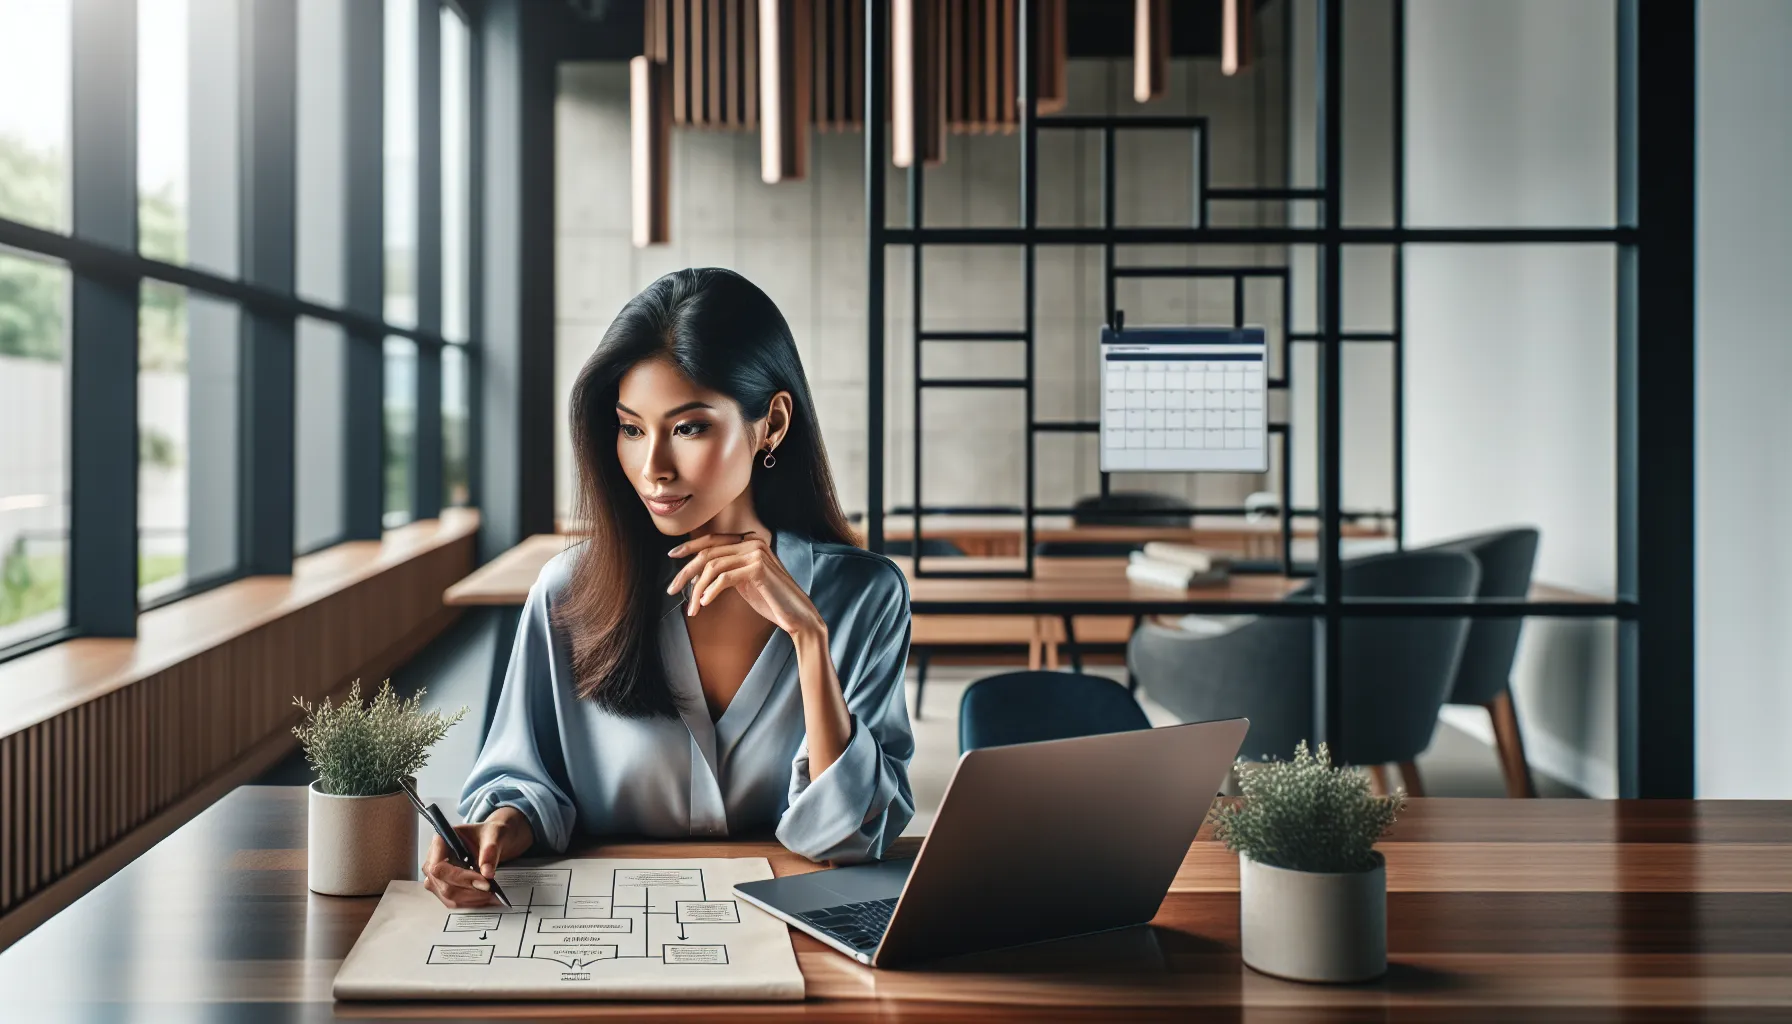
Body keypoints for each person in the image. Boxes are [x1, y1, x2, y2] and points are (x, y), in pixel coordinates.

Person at [423, 268, 915, 908]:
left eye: (689, 428)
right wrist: (497, 831)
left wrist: (808, 637)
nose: (652, 467)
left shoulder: (864, 596)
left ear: (772, 424)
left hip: (796, 949)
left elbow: (851, 839)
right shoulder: (566, 593)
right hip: (600, 945)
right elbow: (524, 783)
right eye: (631, 428)